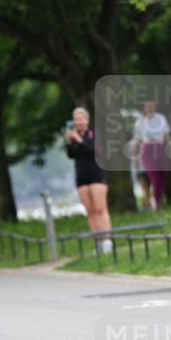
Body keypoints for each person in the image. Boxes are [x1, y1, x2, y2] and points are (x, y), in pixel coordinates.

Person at [65, 107, 113, 254]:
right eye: (76, 119)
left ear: (87, 120)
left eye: (81, 118)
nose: (78, 122)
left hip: (97, 175)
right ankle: (97, 242)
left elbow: (92, 151)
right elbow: (71, 155)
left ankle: (107, 241)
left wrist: (79, 139)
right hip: (82, 176)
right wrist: (68, 142)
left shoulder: (93, 135)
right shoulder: (73, 137)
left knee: (100, 208)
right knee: (90, 211)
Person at [132, 101, 171, 208]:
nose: (149, 108)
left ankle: (158, 199)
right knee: (154, 176)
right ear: (144, 108)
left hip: (159, 147)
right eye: (147, 107)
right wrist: (135, 158)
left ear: (155, 107)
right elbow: (137, 141)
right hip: (147, 149)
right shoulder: (139, 123)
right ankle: (157, 204)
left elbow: (167, 136)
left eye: (151, 106)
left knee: (162, 178)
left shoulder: (161, 119)